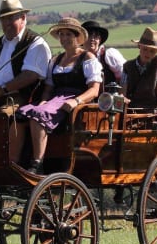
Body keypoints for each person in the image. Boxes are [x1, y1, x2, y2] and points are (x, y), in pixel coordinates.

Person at [8, 17, 102, 170]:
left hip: (74, 102)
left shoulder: (87, 58)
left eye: (68, 35)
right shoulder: (56, 60)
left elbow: (94, 90)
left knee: (37, 117)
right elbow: (48, 89)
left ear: (77, 37)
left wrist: (76, 101)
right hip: (54, 100)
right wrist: (44, 100)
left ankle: (37, 163)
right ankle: (14, 163)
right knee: (20, 115)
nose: (64, 38)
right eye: (62, 35)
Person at [0, 0, 51, 107]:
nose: (7, 23)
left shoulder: (36, 43)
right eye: (3, 20)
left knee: (3, 114)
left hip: (23, 97)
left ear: (23, 18)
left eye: (10, 19)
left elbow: (30, 75)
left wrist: (1, 90)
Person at [123, 27, 157, 114]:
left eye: (152, 51)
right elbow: (123, 89)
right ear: (139, 46)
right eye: (145, 49)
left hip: (151, 111)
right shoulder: (128, 66)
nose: (148, 53)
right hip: (131, 111)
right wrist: (123, 99)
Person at [82, 19, 125, 87]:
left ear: (100, 39)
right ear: (82, 39)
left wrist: (120, 94)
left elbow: (125, 76)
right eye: (89, 35)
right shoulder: (77, 58)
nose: (92, 39)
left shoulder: (109, 54)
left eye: (96, 36)